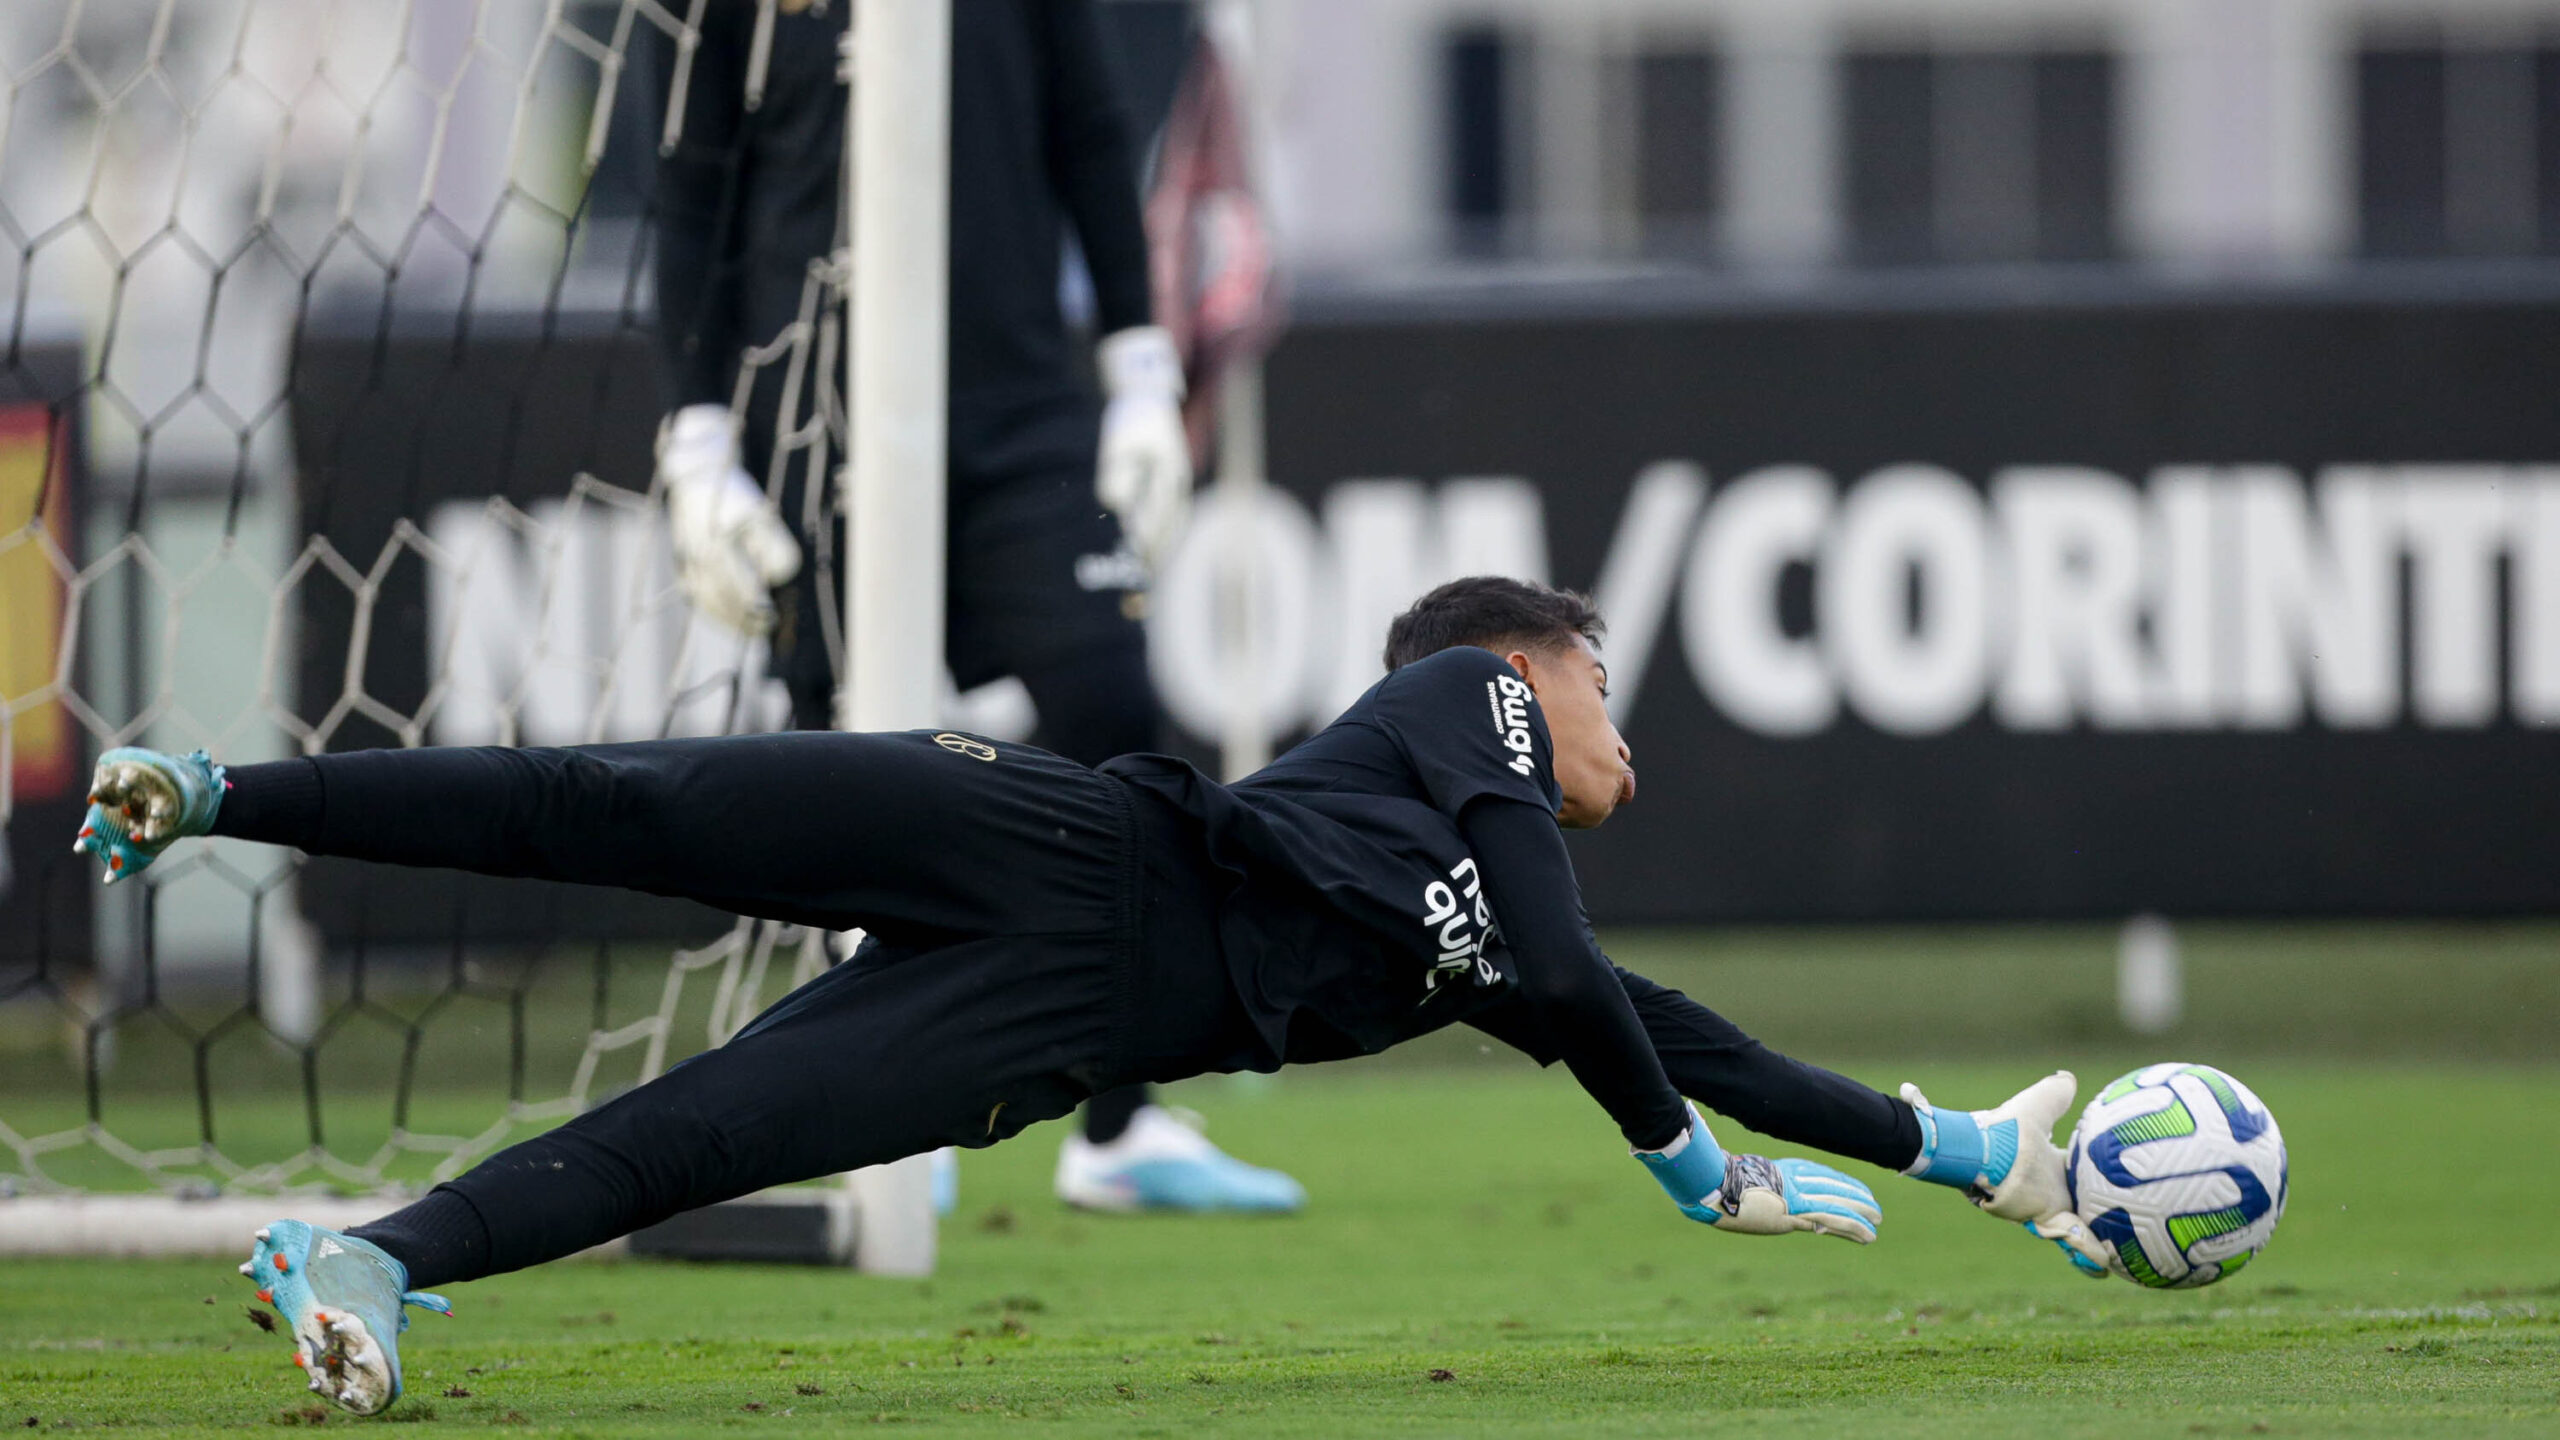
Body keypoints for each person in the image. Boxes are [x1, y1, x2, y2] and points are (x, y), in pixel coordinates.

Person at [76, 575, 2104, 1417]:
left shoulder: (1483, 926)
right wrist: (1684, 1174)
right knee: (627, 803)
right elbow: (1594, 1000)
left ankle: (368, 1265)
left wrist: (1963, 1152)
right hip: (1044, 844)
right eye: (1603, 693)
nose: (1619, 734)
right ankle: (217, 790)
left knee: (699, 1138)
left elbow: (1672, 1032)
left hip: (1067, 1026)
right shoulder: (1462, 687)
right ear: (1526, 663)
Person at [640, 0, 1294, 1214]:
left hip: (1017, 411)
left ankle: (1119, 1120)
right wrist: (696, 438)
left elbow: (1093, 136)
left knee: (1115, 709)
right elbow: (689, 192)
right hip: (812, 413)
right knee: (848, 765)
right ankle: (888, 1113)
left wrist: (1141, 370)